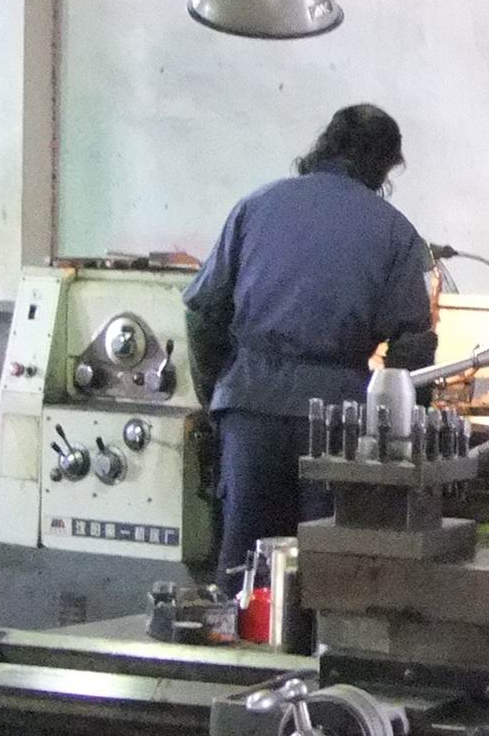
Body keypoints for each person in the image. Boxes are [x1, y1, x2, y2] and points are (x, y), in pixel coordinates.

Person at [186, 105, 438, 574]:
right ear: (385, 166)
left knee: (246, 563)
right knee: (327, 564)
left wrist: (218, 394)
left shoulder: (255, 206)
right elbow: (413, 347)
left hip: (250, 410)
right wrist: (403, 433)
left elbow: (203, 315)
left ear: (325, 144)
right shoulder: (394, 230)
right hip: (335, 420)